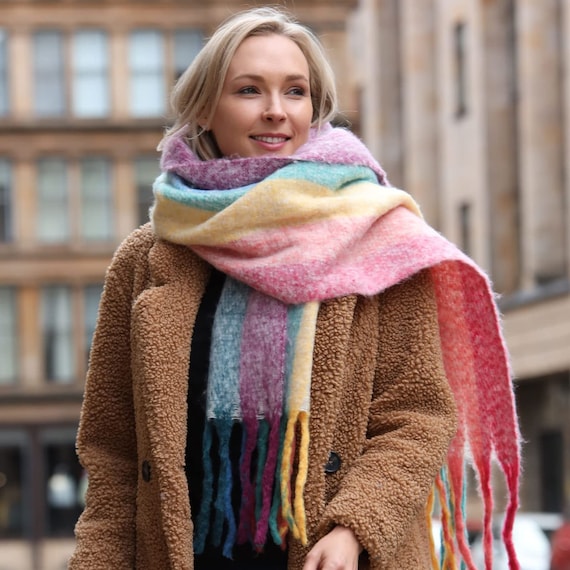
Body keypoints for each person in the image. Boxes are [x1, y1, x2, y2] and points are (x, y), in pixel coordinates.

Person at [68, 7, 521, 570]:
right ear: (206, 107)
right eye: (249, 90)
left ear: (315, 107)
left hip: (334, 557)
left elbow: (418, 414)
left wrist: (356, 526)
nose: (276, 112)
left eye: (296, 91)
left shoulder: (377, 236)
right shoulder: (149, 254)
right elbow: (112, 452)